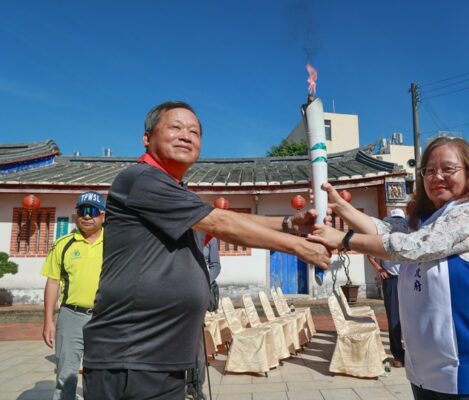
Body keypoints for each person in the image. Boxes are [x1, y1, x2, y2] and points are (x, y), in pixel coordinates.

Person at [82, 101, 330, 400]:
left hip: (161, 357)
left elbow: (226, 218)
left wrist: (289, 224)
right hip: (130, 355)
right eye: (175, 128)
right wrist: (299, 246)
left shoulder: (175, 191)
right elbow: (221, 222)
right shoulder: (141, 179)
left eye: (194, 132)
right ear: (147, 138)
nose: (186, 136)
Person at [309, 136, 469, 399]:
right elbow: (384, 230)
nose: (437, 176)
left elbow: (413, 246)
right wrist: (340, 206)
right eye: (429, 171)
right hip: (426, 372)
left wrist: (344, 239)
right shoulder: (426, 221)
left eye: (448, 169)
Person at [41, 191, 106, 400]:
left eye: (92, 211)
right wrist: (48, 321)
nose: (86, 216)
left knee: (101, 375)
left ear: (103, 215)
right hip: (71, 316)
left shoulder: (114, 244)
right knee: (66, 374)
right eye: (82, 211)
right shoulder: (63, 244)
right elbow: (53, 282)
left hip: (106, 317)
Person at [366, 208, 406, 368]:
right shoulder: (383, 239)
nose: (397, 224)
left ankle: (413, 353)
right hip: (391, 280)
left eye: (399, 221)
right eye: (394, 221)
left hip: (409, 280)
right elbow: (370, 255)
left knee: (412, 317)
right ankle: (398, 354)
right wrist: (380, 268)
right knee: (394, 318)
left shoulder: (409, 236)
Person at [186, 236, 221, 400]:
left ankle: (196, 385)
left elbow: (215, 266)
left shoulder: (209, 238)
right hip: (176, 293)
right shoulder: (179, 232)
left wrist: (203, 280)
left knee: (197, 344)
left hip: (198, 294)